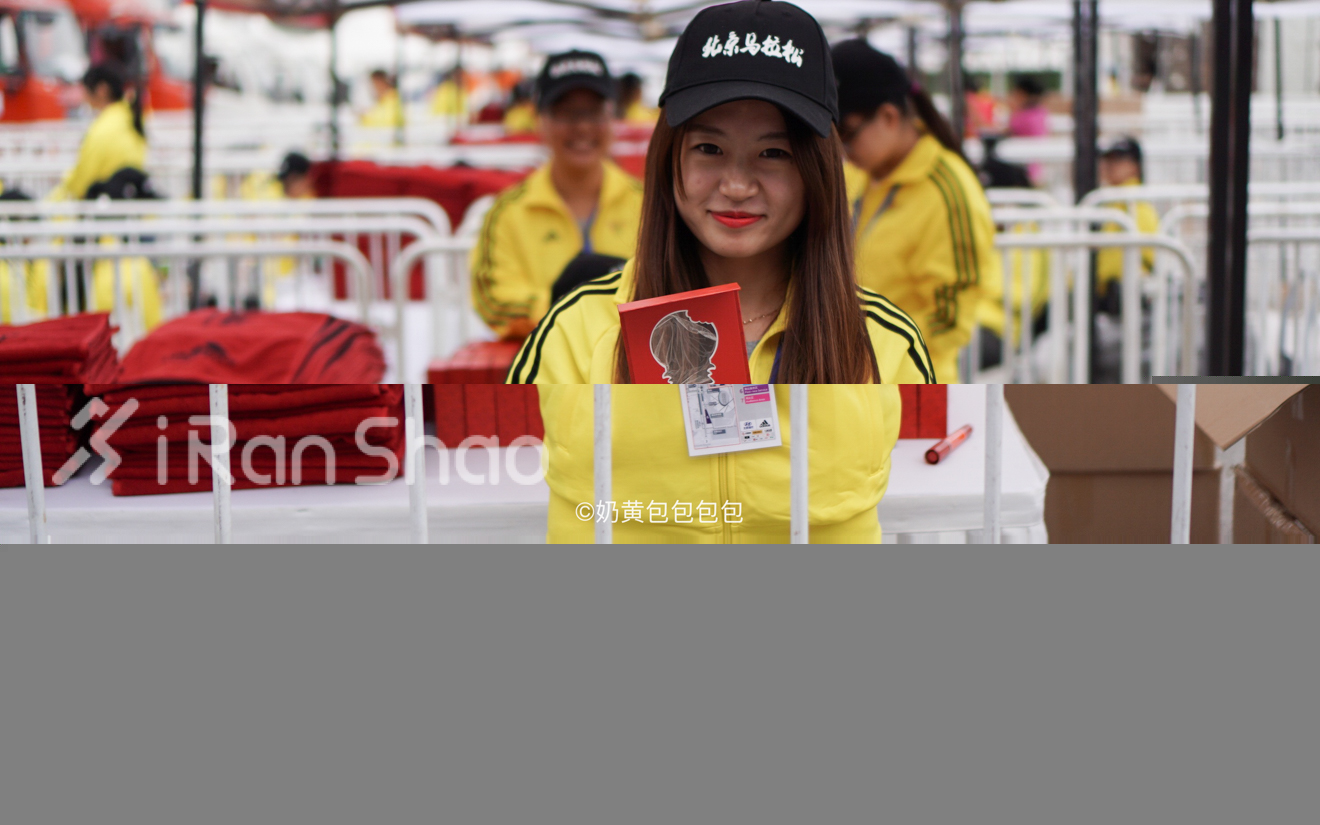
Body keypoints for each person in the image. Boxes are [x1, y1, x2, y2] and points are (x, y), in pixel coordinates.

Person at [509, 0, 935, 544]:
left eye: (774, 153)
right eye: (709, 148)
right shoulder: (573, 333)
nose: (736, 185)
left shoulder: (884, 341)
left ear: (817, 169)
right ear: (670, 158)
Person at [832, 40, 999, 384]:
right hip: (852, 373)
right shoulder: (860, 175)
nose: (843, 151)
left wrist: (872, 354)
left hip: (910, 381)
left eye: (847, 134)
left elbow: (949, 318)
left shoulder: (947, 190)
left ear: (889, 117)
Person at [470, 50, 643, 340]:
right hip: (545, 373)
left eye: (594, 112)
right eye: (567, 113)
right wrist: (575, 307)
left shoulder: (650, 203)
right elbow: (494, 301)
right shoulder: (507, 212)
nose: (583, 126)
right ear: (540, 120)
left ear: (612, 117)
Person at [50, 62, 147, 202]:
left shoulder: (103, 128)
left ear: (102, 90)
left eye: (86, 90)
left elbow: (83, 182)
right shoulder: (128, 118)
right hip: (125, 201)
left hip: (103, 204)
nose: (84, 97)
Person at [1095, 136, 1159, 310]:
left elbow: (1149, 259)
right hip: (1111, 297)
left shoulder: (1136, 205)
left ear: (1135, 166)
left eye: (1118, 160)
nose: (1109, 165)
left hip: (1125, 298)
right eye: (1107, 159)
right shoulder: (1111, 202)